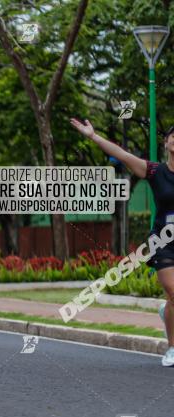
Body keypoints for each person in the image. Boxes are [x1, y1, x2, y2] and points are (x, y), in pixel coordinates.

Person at [71, 118, 174, 366]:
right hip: (164, 241)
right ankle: (172, 348)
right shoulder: (155, 171)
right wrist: (93, 136)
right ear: (167, 142)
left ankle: (166, 313)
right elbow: (122, 154)